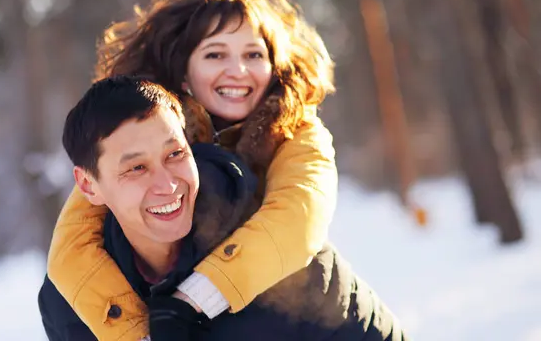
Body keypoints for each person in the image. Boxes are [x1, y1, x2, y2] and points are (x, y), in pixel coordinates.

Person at [48, 0, 340, 340]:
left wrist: (196, 297)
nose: (238, 70)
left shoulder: (298, 128)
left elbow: (299, 218)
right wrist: (137, 333)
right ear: (184, 74)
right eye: (216, 55)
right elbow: (72, 248)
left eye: (254, 55)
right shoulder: (149, 129)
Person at [39, 76, 408, 340]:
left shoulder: (277, 253)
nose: (167, 184)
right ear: (88, 184)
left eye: (175, 154)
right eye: (136, 168)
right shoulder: (71, 304)